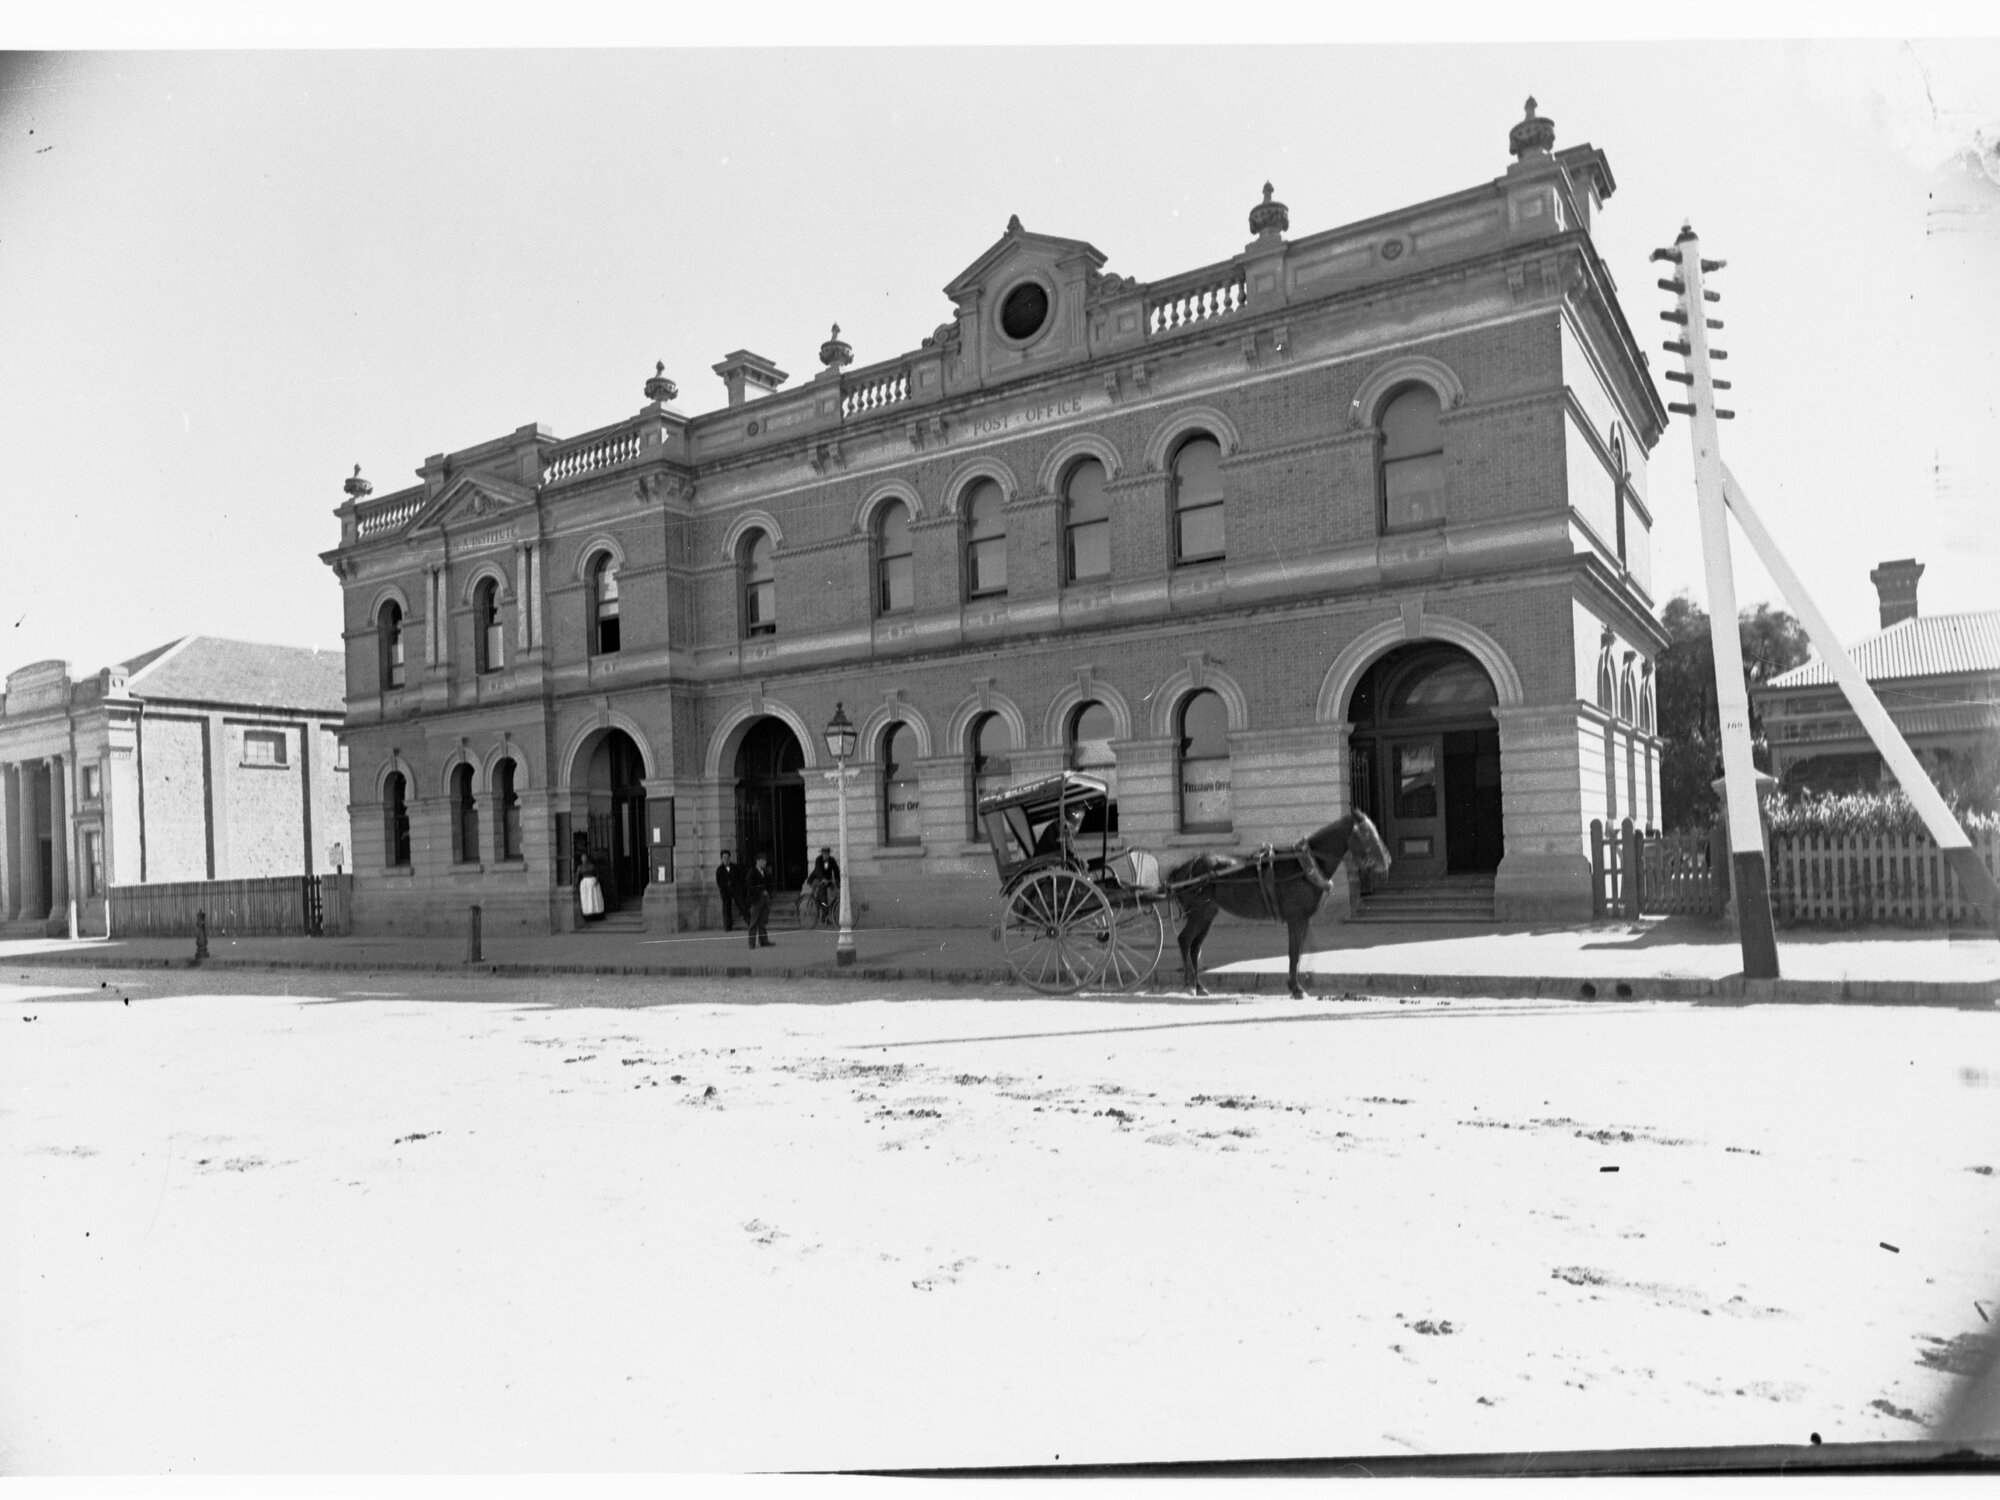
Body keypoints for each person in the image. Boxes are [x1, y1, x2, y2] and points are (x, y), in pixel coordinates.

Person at [743, 851, 774, 949]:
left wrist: (769, 895)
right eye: (762, 860)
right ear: (757, 861)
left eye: (765, 860)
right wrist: (761, 891)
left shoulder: (765, 871)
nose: (764, 862)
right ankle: (751, 943)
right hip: (756, 899)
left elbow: (769, 885)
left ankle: (763, 940)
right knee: (754, 922)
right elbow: (749, 886)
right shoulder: (752, 872)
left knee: (763, 921)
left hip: (765, 899)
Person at [807, 846, 841, 919]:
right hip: (816, 879)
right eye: (824, 853)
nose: (826, 854)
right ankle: (824, 910)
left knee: (833, 891)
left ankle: (824, 910)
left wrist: (837, 880)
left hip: (827, 880)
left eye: (827, 853)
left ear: (829, 853)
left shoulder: (832, 860)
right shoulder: (818, 859)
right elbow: (818, 870)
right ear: (822, 853)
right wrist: (823, 879)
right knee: (823, 896)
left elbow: (836, 870)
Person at [715, 849, 743, 932]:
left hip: (735, 890)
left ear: (729, 857)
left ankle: (748, 921)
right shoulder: (719, 869)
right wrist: (724, 887)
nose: (726, 859)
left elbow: (739, 877)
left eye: (727, 857)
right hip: (726, 892)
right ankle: (727, 926)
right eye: (724, 857)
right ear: (721, 858)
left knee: (741, 905)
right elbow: (719, 881)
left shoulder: (734, 867)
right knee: (727, 908)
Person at [577, 852, 605, 923]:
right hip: (585, 885)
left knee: (594, 898)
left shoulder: (592, 866)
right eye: (583, 857)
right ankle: (587, 915)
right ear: (581, 859)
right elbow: (577, 877)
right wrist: (576, 885)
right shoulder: (580, 867)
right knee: (586, 900)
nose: (584, 859)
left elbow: (597, 874)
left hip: (593, 883)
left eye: (585, 857)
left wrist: (597, 881)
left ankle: (597, 914)